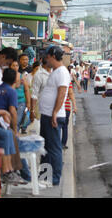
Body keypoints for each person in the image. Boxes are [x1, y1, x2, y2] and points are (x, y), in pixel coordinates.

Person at [38, 46, 70, 186]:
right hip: (47, 115)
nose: (46, 59)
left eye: (47, 57)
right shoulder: (55, 71)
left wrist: (55, 113)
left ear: (52, 56)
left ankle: (55, 178)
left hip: (54, 115)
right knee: (45, 147)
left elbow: (62, 93)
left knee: (54, 148)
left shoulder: (62, 72)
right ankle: (44, 176)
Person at [30, 56, 51, 122]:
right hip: (41, 108)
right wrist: (32, 110)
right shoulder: (39, 74)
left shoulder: (55, 72)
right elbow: (34, 94)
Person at [61, 78, 77, 150]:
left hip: (56, 108)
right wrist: (74, 106)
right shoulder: (67, 81)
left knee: (56, 127)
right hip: (66, 108)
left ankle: (58, 144)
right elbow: (71, 94)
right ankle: (63, 143)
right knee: (64, 127)